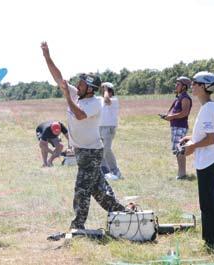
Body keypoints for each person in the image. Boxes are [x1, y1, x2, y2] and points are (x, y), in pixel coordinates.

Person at [41, 41, 132, 230]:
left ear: (89, 88)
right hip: (82, 151)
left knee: (82, 189)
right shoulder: (78, 95)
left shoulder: (95, 102)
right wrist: (47, 57)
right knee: (99, 192)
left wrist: (67, 97)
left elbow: (80, 115)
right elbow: (60, 79)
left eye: (81, 84)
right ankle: (123, 214)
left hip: (92, 152)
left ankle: (78, 225)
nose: (78, 85)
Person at [181, 71, 214, 249]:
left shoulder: (208, 108)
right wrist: (191, 138)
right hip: (211, 160)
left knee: (207, 204)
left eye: (195, 83)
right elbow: (206, 135)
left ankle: (212, 242)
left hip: (207, 162)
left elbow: (211, 138)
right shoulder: (210, 106)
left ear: (203, 86)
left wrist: (192, 147)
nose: (191, 85)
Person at [161, 76, 192, 180]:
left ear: (184, 87)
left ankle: (182, 173)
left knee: (179, 149)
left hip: (180, 127)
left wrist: (171, 117)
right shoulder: (179, 97)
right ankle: (181, 172)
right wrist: (167, 116)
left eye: (178, 84)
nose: (176, 86)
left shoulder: (185, 98)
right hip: (176, 126)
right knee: (178, 149)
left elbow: (185, 113)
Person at [99, 82, 123, 180]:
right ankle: (106, 171)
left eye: (104, 90)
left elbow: (107, 100)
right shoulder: (100, 100)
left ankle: (115, 170)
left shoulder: (114, 100)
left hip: (109, 127)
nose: (102, 92)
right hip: (99, 127)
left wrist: (105, 90)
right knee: (100, 150)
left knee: (106, 149)